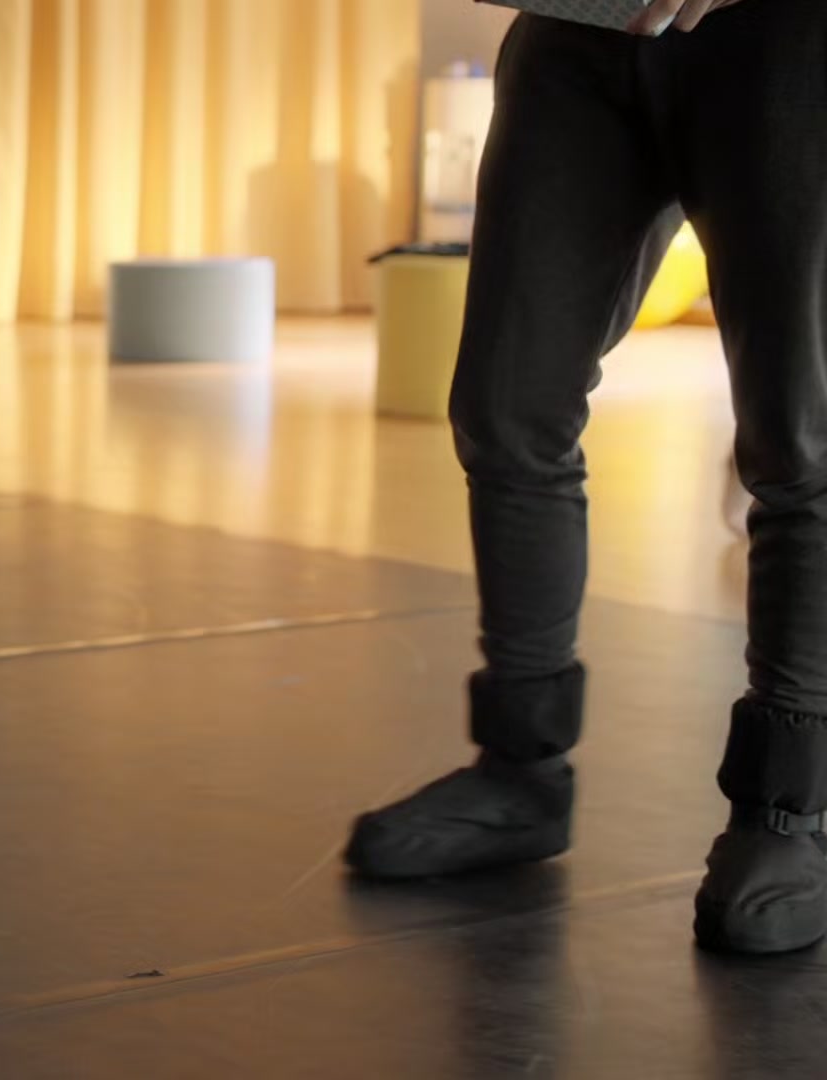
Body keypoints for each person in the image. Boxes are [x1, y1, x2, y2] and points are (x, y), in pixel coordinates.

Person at [347, 0, 827, 954]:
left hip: (784, 37)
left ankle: (784, 814)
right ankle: (519, 770)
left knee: (798, 439)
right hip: (577, 31)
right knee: (507, 407)